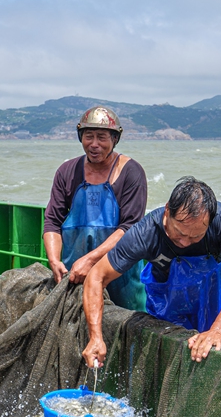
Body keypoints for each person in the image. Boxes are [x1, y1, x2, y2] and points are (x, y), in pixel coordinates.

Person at [82, 176, 221, 367]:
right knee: (171, 360)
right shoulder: (145, 233)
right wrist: (95, 336)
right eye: (179, 233)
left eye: (196, 236)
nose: (186, 242)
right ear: (167, 210)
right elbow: (96, 277)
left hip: (216, 298)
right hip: (170, 305)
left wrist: (219, 330)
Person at [43, 106, 148, 311]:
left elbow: (129, 227)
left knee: (124, 331)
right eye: (88, 137)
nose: (94, 144)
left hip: (120, 275)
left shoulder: (131, 172)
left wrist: (90, 260)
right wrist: (54, 261)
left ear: (115, 139)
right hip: (75, 274)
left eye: (102, 137)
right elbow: (53, 221)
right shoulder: (67, 172)